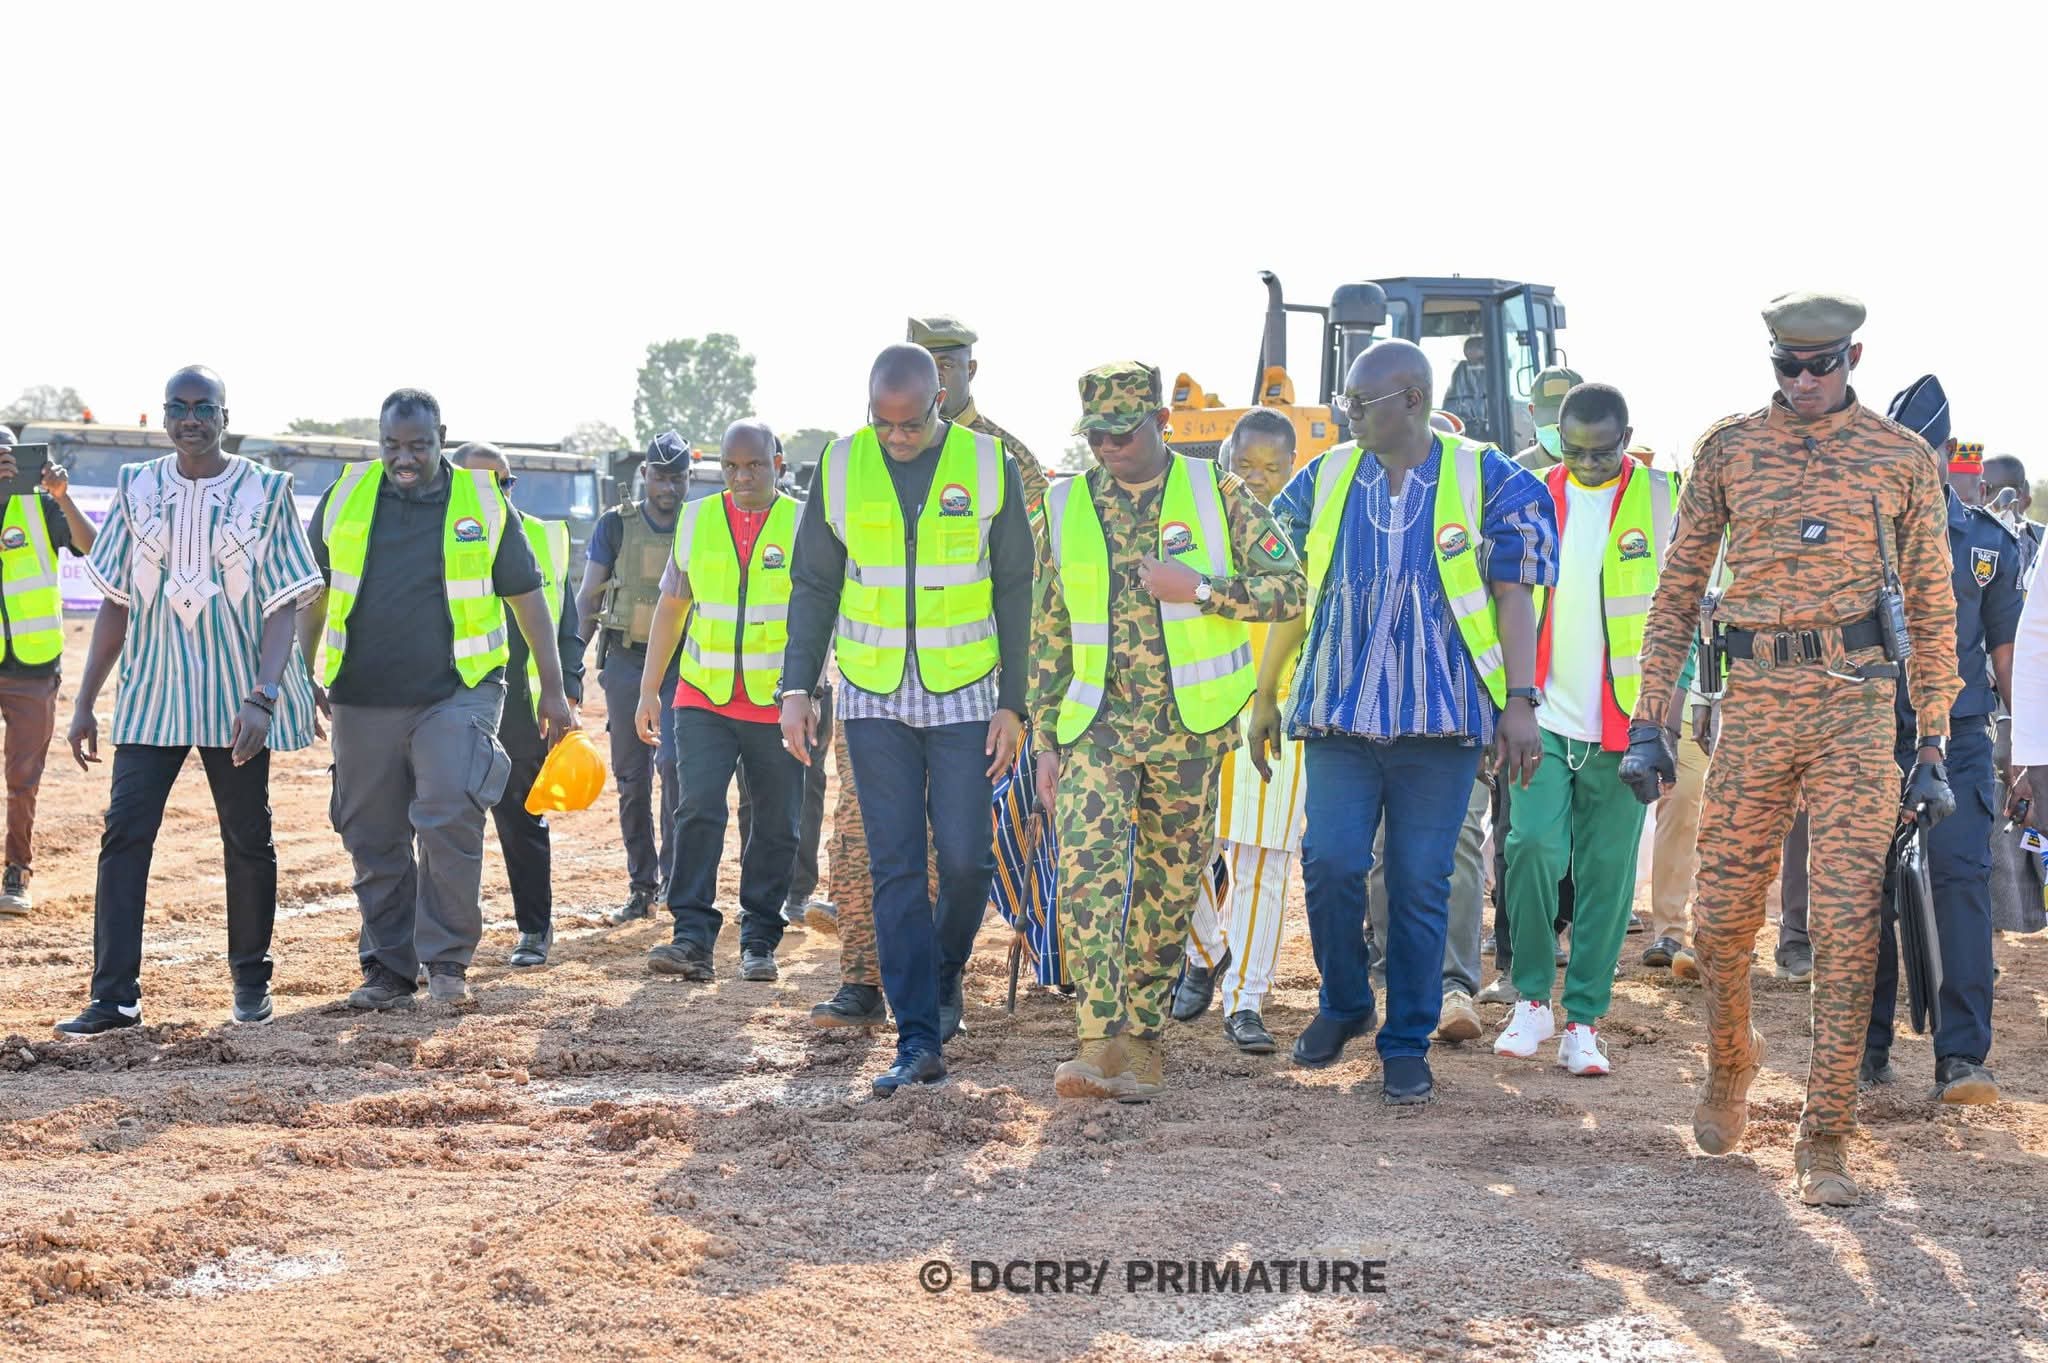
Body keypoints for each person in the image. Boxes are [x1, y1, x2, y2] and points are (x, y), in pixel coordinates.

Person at [1617, 292, 1959, 1207]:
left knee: (1848, 929)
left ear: (1854, 355)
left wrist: (1932, 738)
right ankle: (1732, 1058)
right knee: (1724, 920)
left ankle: (1827, 1136)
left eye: (1822, 365)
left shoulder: (1901, 458)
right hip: (1756, 701)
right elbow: (1677, 591)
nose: (1804, 383)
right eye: (1787, 366)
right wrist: (1648, 719)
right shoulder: (1728, 448)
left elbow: (1931, 608)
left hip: (1856, 705)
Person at [1251, 339, 1557, 1105]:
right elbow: (1289, 588)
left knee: (1421, 881)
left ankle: (1405, 1037)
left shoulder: (1488, 478)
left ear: (1412, 400)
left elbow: (1515, 594)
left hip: (1440, 721)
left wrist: (1519, 701)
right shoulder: (1324, 479)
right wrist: (1264, 694)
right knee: (1328, 863)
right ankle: (1347, 1001)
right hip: (1339, 714)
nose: (1346, 414)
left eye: (1360, 402)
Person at [1034, 365, 1304, 1098]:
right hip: (1096, 725)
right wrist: (1045, 740)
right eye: (1097, 436)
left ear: (1159, 420)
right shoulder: (1064, 503)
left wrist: (1204, 591)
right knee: (1089, 876)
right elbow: (1049, 629)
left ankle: (1142, 1041)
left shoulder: (1215, 493)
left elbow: (1289, 587)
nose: (1110, 447)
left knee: (1167, 887)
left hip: (1190, 732)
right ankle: (1096, 1037)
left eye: (1124, 433)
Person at [777, 344, 1034, 1096]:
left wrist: (1015, 701)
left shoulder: (990, 467)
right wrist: (798, 687)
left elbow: (1016, 585)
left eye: (911, 424)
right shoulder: (839, 465)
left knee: (963, 860)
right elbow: (814, 583)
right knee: (893, 864)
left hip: (964, 689)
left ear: (938, 403)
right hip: (871, 688)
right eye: (882, 424)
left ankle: (944, 967)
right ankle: (918, 1036)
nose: (896, 437)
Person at [54, 366, 321, 1035]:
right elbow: (115, 602)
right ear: (166, 415)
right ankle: (114, 996)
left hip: (238, 701)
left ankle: (250, 985)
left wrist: (263, 695)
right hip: (152, 697)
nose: (190, 417)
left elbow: (284, 605)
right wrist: (87, 700)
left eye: (204, 407)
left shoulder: (266, 490)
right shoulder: (136, 486)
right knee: (124, 837)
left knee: (247, 839)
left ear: (226, 415)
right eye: (178, 406)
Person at [304, 389, 573, 1012]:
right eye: (392, 446)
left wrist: (552, 687)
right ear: (379, 440)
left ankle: (448, 961)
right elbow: (312, 592)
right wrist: (300, 667)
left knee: (450, 811)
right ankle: (388, 970)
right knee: (372, 835)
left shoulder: (480, 500)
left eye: (418, 446)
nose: (404, 458)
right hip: (362, 696)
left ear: (441, 436)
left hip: (458, 693)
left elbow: (527, 595)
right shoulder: (345, 495)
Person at [1493, 384, 1679, 1075]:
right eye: (1574, 450)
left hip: (1626, 724)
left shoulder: (1667, 497)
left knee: (1606, 874)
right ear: (1557, 439)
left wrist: (1666, 714)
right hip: (1540, 717)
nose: (1589, 463)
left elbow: (1692, 607)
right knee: (1532, 847)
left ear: (1627, 436)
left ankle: (1583, 1020)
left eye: (1603, 451)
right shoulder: (1528, 491)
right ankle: (1531, 999)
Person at [1858, 377, 2011, 1102]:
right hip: (1866, 735)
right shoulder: (1858, 536)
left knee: (1959, 889)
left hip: (1961, 740)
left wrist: (2033, 758)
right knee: (1862, 895)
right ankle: (1866, 1052)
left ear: (1945, 454)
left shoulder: (1986, 543)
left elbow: (2010, 661)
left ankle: (1961, 1060)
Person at [908, 313, 1065, 994]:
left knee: (969, 837)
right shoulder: (882, 450)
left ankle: (946, 969)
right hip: (891, 675)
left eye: (950, 363)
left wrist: (1018, 687)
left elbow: (1032, 577)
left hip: (980, 680)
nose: (938, 375)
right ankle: (902, 970)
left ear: (972, 369)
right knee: (897, 836)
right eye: (925, 362)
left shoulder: (1007, 458)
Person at [635, 420, 805, 982]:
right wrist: (648, 690)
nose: (742, 477)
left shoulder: (805, 525)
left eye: (754, 465)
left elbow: (820, 616)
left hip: (777, 703)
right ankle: (691, 937)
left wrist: (811, 691)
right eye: (731, 467)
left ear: (777, 464)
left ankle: (759, 937)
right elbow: (671, 607)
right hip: (702, 694)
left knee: (776, 823)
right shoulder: (696, 519)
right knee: (697, 809)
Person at [1165, 409, 1310, 1054]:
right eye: (1245, 465)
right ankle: (1207, 949)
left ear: (1291, 468)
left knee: (1262, 859)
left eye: (1273, 468)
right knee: (1184, 846)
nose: (1258, 480)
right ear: (1226, 461)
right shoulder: (1198, 527)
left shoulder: (1303, 535)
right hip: (1198, 708)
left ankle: (1246, 998)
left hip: (1275, 712)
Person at [454, 443, 585, 968]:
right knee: (447, 822)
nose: (498, 494)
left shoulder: (544, 537)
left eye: (504, 483)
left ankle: (534, 928)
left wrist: (566, 688)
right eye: (484, 484)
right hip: (453, 698)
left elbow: (566, 621)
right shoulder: (434, 537)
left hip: (521, 705)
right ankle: (444, 939)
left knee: (521, 817)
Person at [577, 432, 690, 924]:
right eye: (661, 477)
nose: (669, 488)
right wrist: (568, 665)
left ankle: (673, 881)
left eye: (678, 477)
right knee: (632, 778)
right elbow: (588, 598)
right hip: (625, 661)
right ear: (644, 474)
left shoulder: (697, 523)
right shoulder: (614, 526)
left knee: (676, 769)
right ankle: (641, 886)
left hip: (684, 665)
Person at [0, 426, 98, 917]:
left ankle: (17, 870)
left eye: (9, 457)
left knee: (23, 775)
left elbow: (90, 545)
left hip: (33, 664)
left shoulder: (41, 509)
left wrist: (63, 497)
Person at [1513, 365, 1585, 472]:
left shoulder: (1605, 468)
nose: (1559, 427)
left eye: (1570, 417)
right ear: (1532, 411)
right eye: (1552, 416)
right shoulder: (1516, 471)